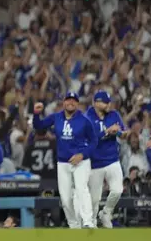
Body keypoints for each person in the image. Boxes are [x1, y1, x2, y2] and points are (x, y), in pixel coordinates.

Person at [33, 92, 97, 229]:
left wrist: (82, 154)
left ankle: (88, 221)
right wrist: (36, 114)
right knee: (65, 198)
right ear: (64, 103)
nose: (71, 103)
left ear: (77, 104)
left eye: (74, 100)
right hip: (63, 163)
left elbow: (94, 141)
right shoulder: (56, 117)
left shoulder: (85, 120)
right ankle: (73, 225)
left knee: (81, 189)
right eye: (68, 100)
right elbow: (39, 126)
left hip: (81, 161)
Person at [85, 90, 126, 228]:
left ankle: (106, 213)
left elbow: (122, 132)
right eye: (105, 102)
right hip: (95, 163)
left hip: (112, 159)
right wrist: (107, 131)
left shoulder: (114, 114)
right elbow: (90, 139)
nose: (109, 104)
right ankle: (91, 223)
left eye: (109, 101)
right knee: (94, 199)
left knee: (117, 190)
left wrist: (122, 133)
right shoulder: (88, 117)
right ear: (96, 103)